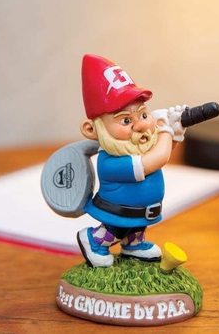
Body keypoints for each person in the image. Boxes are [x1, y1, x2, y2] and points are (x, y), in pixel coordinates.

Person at [77, 54, 186, 268]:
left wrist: (176, 132)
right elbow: (158, 159)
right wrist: (165, 130)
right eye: (126, 120)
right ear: (92, 130)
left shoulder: (141, 147)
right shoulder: (111, 163)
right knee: (115, 230)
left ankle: (133, 244)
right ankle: (93, 240)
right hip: (118, 212)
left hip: (141, 211)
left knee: (135, 228)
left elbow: (163, 150)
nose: (141, 125)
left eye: (143, 115)